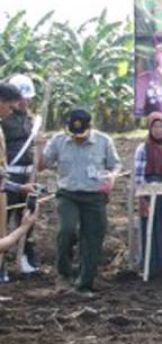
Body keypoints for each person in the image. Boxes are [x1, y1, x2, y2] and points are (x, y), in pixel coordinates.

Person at [41, 108, 122, 295]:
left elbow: (115, 164)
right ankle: (64, 275)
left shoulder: (104, 141)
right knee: (66, 230)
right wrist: (39, 147)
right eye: (74, 135)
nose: (77, 139)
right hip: (68, 194)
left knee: (93, 237)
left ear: (90, 128)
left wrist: (112, 177)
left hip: (94, 196)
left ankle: (85, 282)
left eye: (81, 135)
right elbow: (42, 164)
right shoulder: (58, 140)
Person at [134, 112, 162, 276]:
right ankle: (151, 266)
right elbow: (138, 175)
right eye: (155, 126)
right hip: (150, 190)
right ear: (149, 128)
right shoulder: (143, 148)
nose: (158, 130)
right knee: (151, 227)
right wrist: (142, 198)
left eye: (161, 126)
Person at [3, 74, 39, 273]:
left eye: (28, 98)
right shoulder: (4, 120)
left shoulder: (31, 119)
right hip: (9, 176)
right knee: (3, 218)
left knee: (27, 216)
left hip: (27, 176)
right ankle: (2, 263)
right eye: (21, 98)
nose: (25, 102)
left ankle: (25, 257)